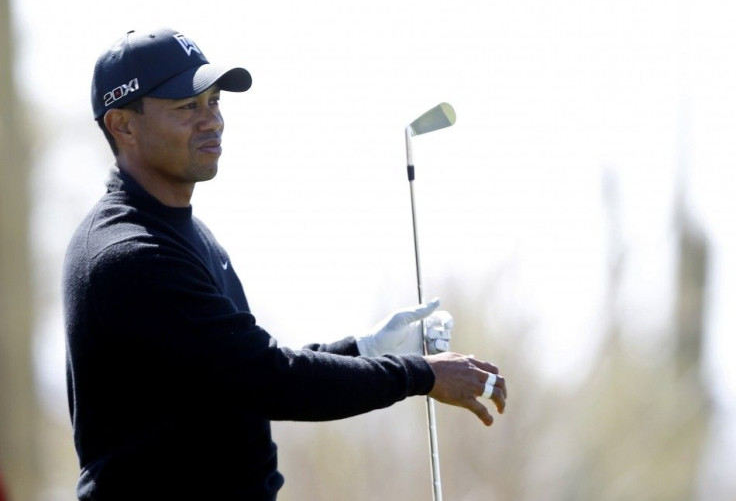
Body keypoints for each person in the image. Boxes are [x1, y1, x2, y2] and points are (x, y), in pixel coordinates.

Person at [63, 27, 507, 501]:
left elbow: (238, 369)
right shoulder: (131, 253)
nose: (212, 121)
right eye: (186, 107)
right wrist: (420, 373)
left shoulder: (183, 234)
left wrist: (364, 348)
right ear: (123, 125)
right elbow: (268, 379)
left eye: (214, 102)